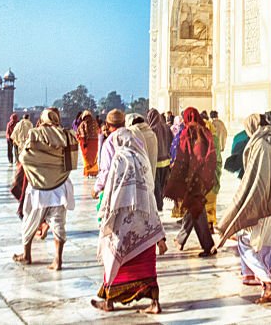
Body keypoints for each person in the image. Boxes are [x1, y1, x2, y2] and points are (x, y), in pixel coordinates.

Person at [216, 113, 271, 305]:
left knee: (245, 243)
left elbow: (254, 179)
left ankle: (268, 283)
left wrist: (241, 206)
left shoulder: (259, 145)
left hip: (265, 202)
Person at [91, 129, 166, 315]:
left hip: (123, 219)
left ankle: (109, 301)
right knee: (146, 264)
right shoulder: (142, 159)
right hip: (145, 218)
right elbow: (149, 189)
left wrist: (105, 214)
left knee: (113, 256)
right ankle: (154, 303)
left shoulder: (119, 159)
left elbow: (111, 190)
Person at [15, 108, 79, 269]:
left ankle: (27, 255)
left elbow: (24, 157)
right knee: (58, 223)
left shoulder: (35, 134)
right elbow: (72, 160)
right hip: (60, 185)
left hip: (38, 186)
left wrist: (39, 166)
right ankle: (57, 259)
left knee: (30, 221)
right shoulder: (66, 135)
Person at [164, 107, 217, 257]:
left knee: (196, 208)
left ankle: (208, 245)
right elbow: (209, 155)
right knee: (193, 207)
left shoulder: (188, 132)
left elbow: (184, 155)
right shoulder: (205, 132)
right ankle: (181, 239)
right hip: (203, 177)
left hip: (191, 178)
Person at [146, 109, 173, 211]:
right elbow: (172, 142)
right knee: (162, 183)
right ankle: (160, 200)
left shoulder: (151, 130)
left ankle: (159, 204)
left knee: (156, 184)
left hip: (156, 161)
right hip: (166, 160)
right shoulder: (167, 127)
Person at [77, 111, 100, 177]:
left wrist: (84, 142)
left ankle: (88, 172)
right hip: (94, 143)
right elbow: (98, 131)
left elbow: (82, 134)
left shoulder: (83, 124)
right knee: (92, 158)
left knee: (87, 158)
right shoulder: (95, 122)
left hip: (88, 143)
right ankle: (93, 172)